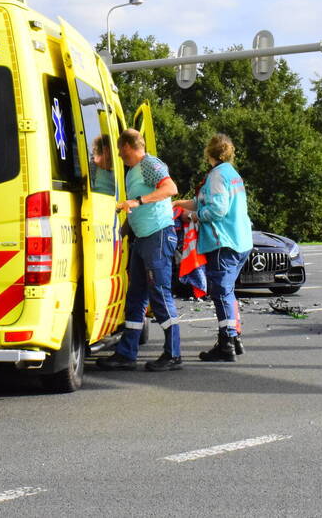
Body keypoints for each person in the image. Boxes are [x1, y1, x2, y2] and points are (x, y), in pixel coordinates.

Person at [97, 128, 182, 372]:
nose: (120, 158)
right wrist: (122, 231)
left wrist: (138, 201)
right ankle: (126, 353)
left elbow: (170, 188)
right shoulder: (133, 172)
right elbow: (135, 208)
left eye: (122, 153)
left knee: (160, 295)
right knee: (135, 297)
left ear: (127, 147)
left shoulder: (148, 164)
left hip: (157, 236)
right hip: (143, 238)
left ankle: (173, 354)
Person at [174, 133, 252, 362]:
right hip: (240, 240)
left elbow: (217, 209)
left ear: (209, 152)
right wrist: (180, 203)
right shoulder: (231, 173)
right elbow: (205, 200)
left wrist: (193, 216)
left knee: (221, 294)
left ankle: (226, 343)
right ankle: (235, 339)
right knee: (228, 292)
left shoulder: (217, 175)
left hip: (222, 242)